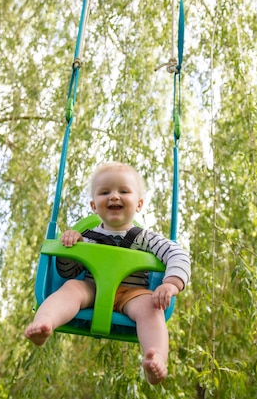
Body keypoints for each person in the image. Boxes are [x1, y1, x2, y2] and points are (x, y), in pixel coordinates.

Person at [24, 162, 191, 385]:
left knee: (152, 308)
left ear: (139, 204)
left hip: (132, 294)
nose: (114, 196)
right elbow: (67, 272)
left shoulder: (146, 239)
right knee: (71, 288)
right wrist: (70, 248)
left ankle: (156, 358)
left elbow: (177, 253)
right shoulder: (87, 235)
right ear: (94, 205)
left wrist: (171, 283)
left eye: (123, 191)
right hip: (92, 288)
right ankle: (44, 323)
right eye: (105, 192)